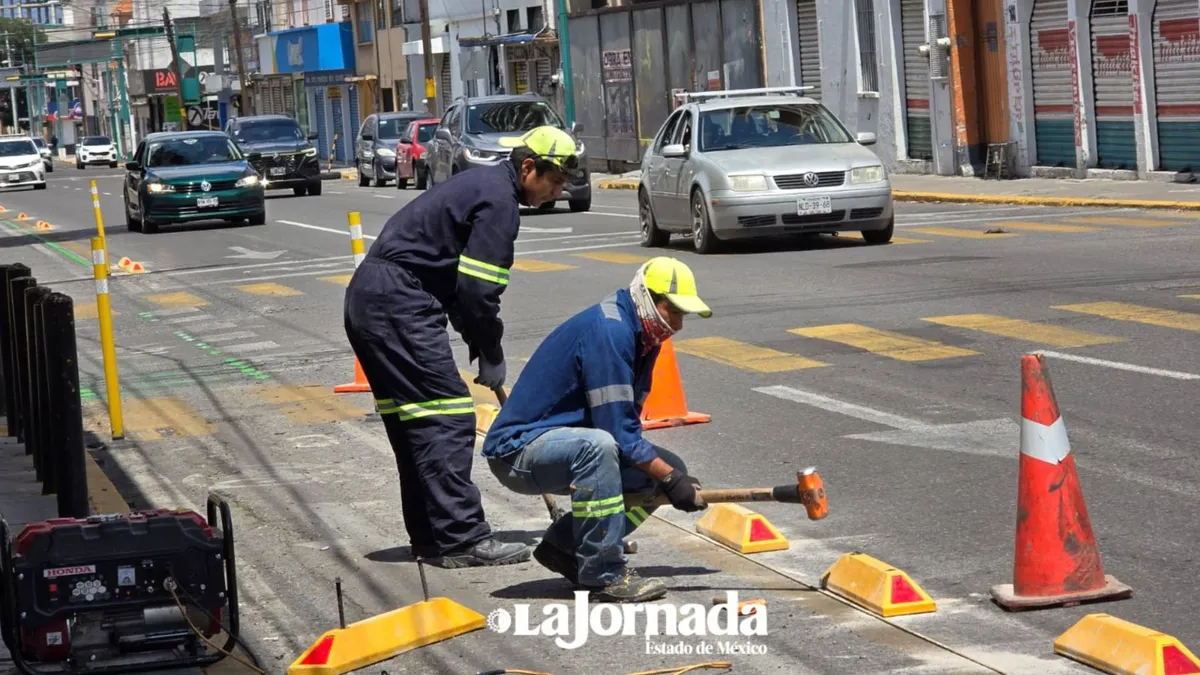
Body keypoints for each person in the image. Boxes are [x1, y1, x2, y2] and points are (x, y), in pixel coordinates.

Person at [343, 125, 581, 569]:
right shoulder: (500, 203)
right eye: (554, 181)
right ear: (528, 167)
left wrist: (479, 343)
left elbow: (458, 288)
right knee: (448, 417)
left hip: (375, 299)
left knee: (415, 424)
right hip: (398, 301)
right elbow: (476, 290)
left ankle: (432, 535)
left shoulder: (484, 186)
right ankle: (461, 538)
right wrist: (491, 350)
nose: (557, 191)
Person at [482, 257, 712, 602]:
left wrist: (670, 476)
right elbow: (617, 432)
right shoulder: (611, 331)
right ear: (648, 297)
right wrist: (669, 480)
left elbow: (627, 425)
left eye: (683, 315)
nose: (677, 324)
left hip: (567, 443)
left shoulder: (644, 337)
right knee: (600, 447)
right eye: (673, 311)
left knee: (662, 467)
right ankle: (604, 573)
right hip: (519, 452)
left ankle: (564, 547)